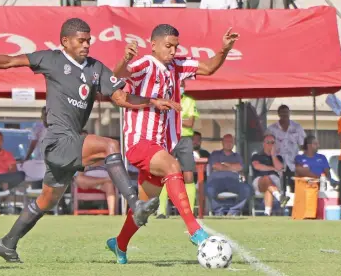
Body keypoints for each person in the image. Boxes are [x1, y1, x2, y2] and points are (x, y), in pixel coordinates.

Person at [0, 18, 176, 263]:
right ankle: (135, 204)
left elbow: (121, 97)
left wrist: (151, 101)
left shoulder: (96, 68)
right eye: (81, 40)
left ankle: (6, 243)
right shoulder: (51, 59)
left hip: (71, 144)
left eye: (89, 40)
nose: (86, 45)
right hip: (57, 141)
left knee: (46, 201)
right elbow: (8, 61)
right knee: (110, 146)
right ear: (65, 41)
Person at [107, 24, 240, 264]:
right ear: (153, 44)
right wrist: (124, 59)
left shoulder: (177, 66)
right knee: (173, 167)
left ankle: (119, 244)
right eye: (168, 45)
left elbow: (208, 68)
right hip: (140, 142)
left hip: (160, 145)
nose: (172, 50)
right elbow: (119, 74)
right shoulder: (146, 64)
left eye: (175, 46)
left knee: (145, 206)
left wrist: (224, 49)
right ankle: (195, 232)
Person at [157, 79, 199, 218]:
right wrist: (181, 118)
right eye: (178, 85)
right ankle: (161, 211)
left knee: (188, 175)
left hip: (185, 139)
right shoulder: (165, 99)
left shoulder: (190, 101)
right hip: (168, 137)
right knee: (165, 173)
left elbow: (190, 123)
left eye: (182, 85)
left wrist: (174, 118)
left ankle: (190, 211)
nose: (180, 87)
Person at [205, 134, 252, 217]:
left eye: (231, 141)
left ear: (233, 143)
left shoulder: (237, 156)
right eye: (226, 141)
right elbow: (215, 166)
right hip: (217, 180)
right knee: (209, 189)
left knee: (247, 189)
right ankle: (218, 212)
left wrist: (224, 165)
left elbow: (239, 167)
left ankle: (233, 211)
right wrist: (232, 167)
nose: (228, 143)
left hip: (234, 180)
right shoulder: (215, 154)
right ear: (222, 142)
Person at [266, 105, 306, 194]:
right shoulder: (271, 129)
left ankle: (294, 207)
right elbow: (266, 145)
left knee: (295, 187)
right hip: (277, 161)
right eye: (282, 112)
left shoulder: (297, 127)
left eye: (286, 112)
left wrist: (304, 160)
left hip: (293, 161)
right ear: (278, 114)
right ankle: (280, 205)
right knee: (279, 187)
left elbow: (303, 144)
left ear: (289, 113)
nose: (285, 114)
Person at [251, 134, 290, 216]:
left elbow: (279, 168)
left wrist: (273, 155)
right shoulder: (256, 156)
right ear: (263, 144)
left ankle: (267, 213)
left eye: (272, 142)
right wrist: (272, 168)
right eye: (268, 142)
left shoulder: (278, 157)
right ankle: (279, 197)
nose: (270, 144)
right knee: (266, 178)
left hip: (275, 181)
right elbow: (257, 166)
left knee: (269, 189)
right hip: (259, 181)